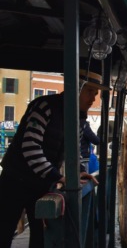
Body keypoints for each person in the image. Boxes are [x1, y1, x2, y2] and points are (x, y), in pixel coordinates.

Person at [0, 69, 105, 248]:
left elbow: (73, 151)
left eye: (96, 94)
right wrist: (59, 177)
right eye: (89, 92)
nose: (93, 99)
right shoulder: (45, 107)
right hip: (15, 180)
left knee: (41, 237)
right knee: (3, 232)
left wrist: (79, 171)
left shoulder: (79, 119)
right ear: (77, 88)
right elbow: (30, 147)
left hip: (40, 183)